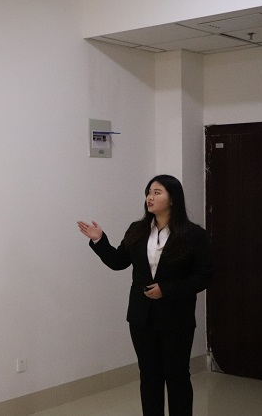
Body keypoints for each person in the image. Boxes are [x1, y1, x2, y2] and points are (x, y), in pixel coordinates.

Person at [76, 174, 213, 416]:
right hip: (142, 317)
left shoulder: (194, 235)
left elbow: (204, 276)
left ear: (173, 199)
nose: (150, 197)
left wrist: (167, 290)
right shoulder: (137, 230)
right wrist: (99, 240)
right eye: (148, 192)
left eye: (157, 192)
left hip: (176, 318)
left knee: (177, 376)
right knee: (149, 376)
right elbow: (119, 262)